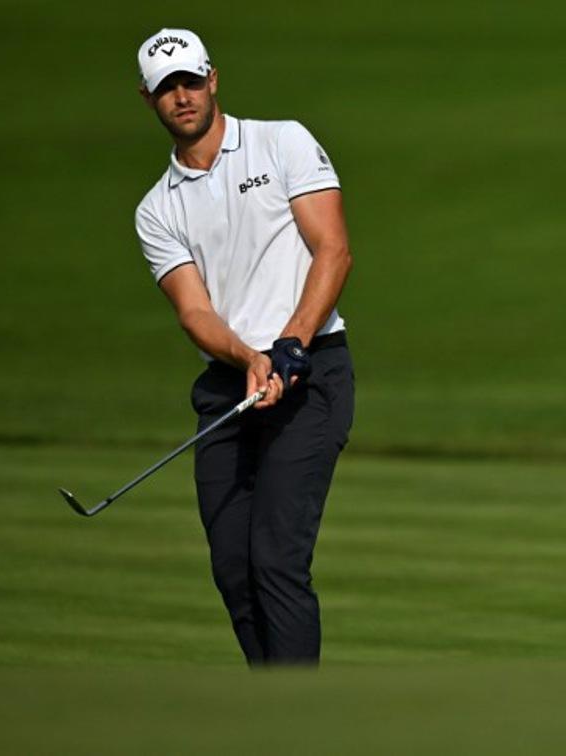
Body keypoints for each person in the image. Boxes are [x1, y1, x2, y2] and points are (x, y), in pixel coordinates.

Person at [133, 28, 355, 665]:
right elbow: (195, 311)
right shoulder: (156, 210)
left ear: (213, 79)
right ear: (149, 100)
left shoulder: (281, 142)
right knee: (234, 568)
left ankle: (295, 712)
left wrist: (289, 345)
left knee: (277, 559)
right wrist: (248, 358)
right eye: (166, 88)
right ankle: (273, 703)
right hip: (231, 385)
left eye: (190, 81)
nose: (182, 96)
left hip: (309, 372)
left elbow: (333, 251)